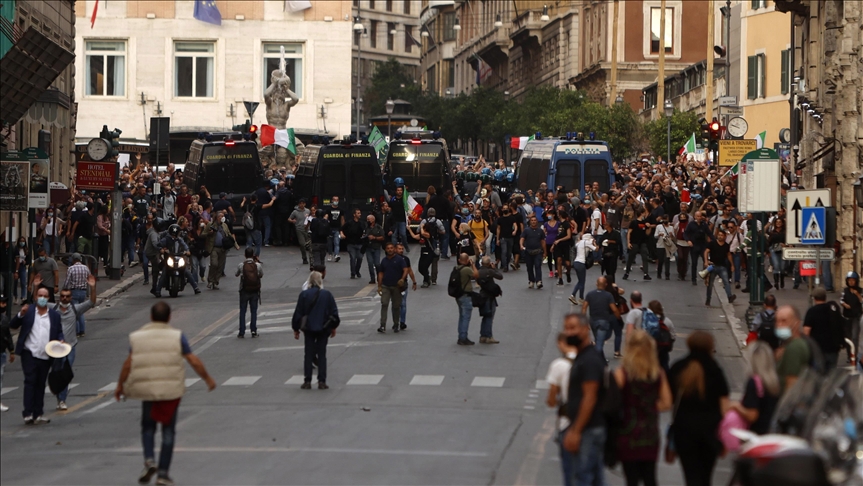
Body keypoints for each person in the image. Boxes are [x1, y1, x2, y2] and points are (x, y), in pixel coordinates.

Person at [114, 301, 217, 486]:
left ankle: (149, 460)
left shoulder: (138, 337)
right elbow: (192, 360)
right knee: (168, 430)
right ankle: (163, 473)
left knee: (148, 427)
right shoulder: (177, 337)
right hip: (170, 391)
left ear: (151, 317)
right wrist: (207, 379)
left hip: (148, 390)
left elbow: (128, 363)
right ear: (169, 317)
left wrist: (120, 385)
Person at [668, 331, 730, 486]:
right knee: (706, 477)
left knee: (691, 476)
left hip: (684, 431)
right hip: (711, 432)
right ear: (711, 346)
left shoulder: (678, 367)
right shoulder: (715, 370)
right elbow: (724, 408)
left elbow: (669, 401)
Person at [614, 329, 673, 486]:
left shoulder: (622, 373)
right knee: (650, 477)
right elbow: (667, 402)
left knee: (631, 479)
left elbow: (612, 402)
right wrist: (650, 406)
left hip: (627, 432)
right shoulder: (657, 373)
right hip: (649, 433)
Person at [561, 313, 607, 485]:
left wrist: (576, 430)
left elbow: (590, 396)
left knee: (581, 478)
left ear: (586, 329)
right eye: (566, 328)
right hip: (588, 428)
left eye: (573, 328)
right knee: (595, 479)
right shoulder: (584, 357)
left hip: (588, 430)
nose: (568, 332)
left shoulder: (590, 360)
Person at [9, 287, 63, 425]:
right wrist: (21, 314)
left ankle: (38, 413)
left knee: (40, 383)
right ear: (35, 296)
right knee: (30, 380)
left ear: (49, 298)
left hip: (46, 355)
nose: (42, 298)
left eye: (45, 296)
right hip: (29, 353)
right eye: (40, 295)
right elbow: (13, 325)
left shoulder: (54, 316)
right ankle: (27, 413)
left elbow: (59, 332)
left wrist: (60, 340)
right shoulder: (29, 311)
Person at [45, 274, 96, 411]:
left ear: (71, 298)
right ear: (59, 297)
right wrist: (36, 285)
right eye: (62, 296)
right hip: (55, 348)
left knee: (65, 373)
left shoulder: (75, 309)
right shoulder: (53, 308)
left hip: (70, 347)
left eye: (67, 296)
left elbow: (91, 302)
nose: (64, 299)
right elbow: (38, 302)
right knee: (57, 372)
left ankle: (62, 400)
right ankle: (58, 396)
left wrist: (92, 287)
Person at [292, 271, 339, 390]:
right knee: (322, 354)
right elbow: (334, 313)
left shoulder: (304, 295)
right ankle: (321, 381)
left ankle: (307, 380)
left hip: (308, 328)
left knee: (308, 354)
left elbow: (298, 313)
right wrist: (333, 327)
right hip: (324, 327)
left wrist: (296, 329)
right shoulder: (327, 295)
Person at [725, 341, 781, 436]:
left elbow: (752, 415)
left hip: (754, 434)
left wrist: (736, 406)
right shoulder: (774, 381)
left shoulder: (753, 382)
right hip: (770, 432)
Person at [545, 333, 577, 486]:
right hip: (593, 424)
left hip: (568, 423)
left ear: (560, 344)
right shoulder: (593, 361)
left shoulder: (559, 365)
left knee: (570, 471)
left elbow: (551, 400)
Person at [803, 287, 845, 371]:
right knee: (831, 375)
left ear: (814, 298)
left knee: (818, 376)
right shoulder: (832, 309)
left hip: (818, 350)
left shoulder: (812, 311)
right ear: (825, 297)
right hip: (833, 349)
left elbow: (806, 332)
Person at [581, 276, 620, 361]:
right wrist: (618, 318)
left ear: (596, 284)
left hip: (593, 321)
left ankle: (602, 359)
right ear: (605, 284)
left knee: (598, 340)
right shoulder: (608, 295)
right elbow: (614, 309)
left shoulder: (590, 294)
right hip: (603, 321)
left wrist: (584, 321)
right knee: (600, 341)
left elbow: (584, 307)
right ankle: (597, 360)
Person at [774, 305, 811, 392]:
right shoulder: (792, 345)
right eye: (777, 321)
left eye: (784, 321)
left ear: (796, 323)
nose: (779, 325)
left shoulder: (794, 348)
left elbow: (792, 385)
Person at [202, 210, 239, 290]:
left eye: (223, 216)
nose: (222, 218)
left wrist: (235, 244)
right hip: (214, 248)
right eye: (220, 216)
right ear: (217, 217)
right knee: (214, 264)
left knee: (220, 266)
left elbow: (229, 235)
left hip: (223, 248)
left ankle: (216, 282)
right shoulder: (210, 225)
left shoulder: (225, 225)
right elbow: (203, 235)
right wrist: (209, 233)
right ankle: (210, 280)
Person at [376, 242, 408, 334]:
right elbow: (381, 273)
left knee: (396, 306)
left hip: (396, 286)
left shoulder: (399, 260)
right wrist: (379, 286)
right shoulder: (384, 261)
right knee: (384, 304)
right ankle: (382, 325)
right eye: (388, 248)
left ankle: (396, 324)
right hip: (386, 285)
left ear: (394, 249)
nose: (390, 250)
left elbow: (405, 269)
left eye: (391, 248)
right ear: (386, 250)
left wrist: (402, 279)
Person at [704, 229, 737, 306]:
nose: (720, 237)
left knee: (726, 282)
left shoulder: (726, 245)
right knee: (710, 284)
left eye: (722, 235)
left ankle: (729, 296)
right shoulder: (712, 243)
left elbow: (729, 255)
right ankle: (708, 299)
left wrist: (732, 265)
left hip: (722, 266)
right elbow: (706, 251)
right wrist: (706, 261)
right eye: (719, 235)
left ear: (725, 236)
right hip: (713, 266)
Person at [236, 247, 263, 338]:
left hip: (244, 290)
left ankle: (241, 332)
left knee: (243, 311)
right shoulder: (257, 265)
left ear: (245, 255)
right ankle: (253, 330)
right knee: (254, 311)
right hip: (254, 290)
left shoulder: (241, 265)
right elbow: (261, 275)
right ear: (253, 255)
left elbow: (236, 274)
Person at [63, 252, 91, 337]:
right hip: (83, 291)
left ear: (73, 259)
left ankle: (77, 331)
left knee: (74, 311)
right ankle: (82, 330)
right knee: (81, 310)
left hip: (74, 291)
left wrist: (64, 290)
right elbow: (89, 279)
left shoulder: (71, 269)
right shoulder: (86, 268)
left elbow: (67, 282)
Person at [477, 256, 503, 344]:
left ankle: (482, 335)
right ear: (488, 263)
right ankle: (488, 336)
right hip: (490, 296)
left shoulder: (479, 272)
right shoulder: (490, 271)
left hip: (482, 294)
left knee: (485, 315)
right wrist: (494, 269)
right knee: (490, 315)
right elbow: (500, 276)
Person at [455, 253, 479, 345]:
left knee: (461, 316)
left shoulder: (456, 268)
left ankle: (461, 335)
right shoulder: (466, 270)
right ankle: (463, 337)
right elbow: (476, 275)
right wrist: (473, 264)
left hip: (458, 295)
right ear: (467, 260)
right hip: (465, 295)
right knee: (466, 317)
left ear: (459, 260)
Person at [684, 211, 712, 286]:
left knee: (705, 261)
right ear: (695, 217)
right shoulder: (691, 224)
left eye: (700, 216)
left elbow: (709, 233)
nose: (699, 218)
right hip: (694, 245)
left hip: (703, 245)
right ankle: (694, 279)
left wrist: (713, 241)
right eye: (698, 216)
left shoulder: (704, 224)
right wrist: (688, 240)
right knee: (694, 263)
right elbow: (686, 233)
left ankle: (706, 276)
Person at [623, 209, 652, 281]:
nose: (645, 215)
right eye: (644, 213)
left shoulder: (645, 223)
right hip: (634, 242)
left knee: (645, 257)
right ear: (641, 214)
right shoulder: (634, 222)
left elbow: (647, 233)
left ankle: (646, 274)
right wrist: (628, 242)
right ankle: (627, 273)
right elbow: (629, 232)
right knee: (631, 258)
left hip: (643, 242)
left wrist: (649, 227)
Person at [840, 271, 862, 364]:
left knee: (854, 337)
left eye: (853, 280)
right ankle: (850, 355)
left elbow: (862, 301)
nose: (851, 282)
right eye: (849, 280)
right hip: (846, 317)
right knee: (848, 338)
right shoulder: (845, 291)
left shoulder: (860, 290)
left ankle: (855, 355)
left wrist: (857, 294)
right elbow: (841, 300)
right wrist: (844, 304)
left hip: (856, 317)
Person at [569, 233, 596, 305]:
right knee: (581, 282)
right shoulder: (587, 243)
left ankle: (580, 297)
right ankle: (574, 295)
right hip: (581, 263)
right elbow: (596, 249)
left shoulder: (579, 243)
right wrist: (595, 243)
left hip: (576, 262)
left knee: (580, 281)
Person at [395, 243, 417, 331]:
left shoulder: (406, 259)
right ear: (395, 249)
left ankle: (402, 322)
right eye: (399, 249)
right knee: (396, 305)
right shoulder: (391, 259)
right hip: (394, 285)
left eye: (402, 249)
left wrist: (414, 281)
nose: (401, 250)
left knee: (403, 304)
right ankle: (395, 321)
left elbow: (409, 271)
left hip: (403, 285)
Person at [520, 216, 546, 289]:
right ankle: (531, 280)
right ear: (530, 222)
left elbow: (543, 241)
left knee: (538, 265)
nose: (533, 222)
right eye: (532, 220)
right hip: (528, 251)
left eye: (535, 220)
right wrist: (521, 245)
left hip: (538, 251)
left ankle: (538, 281)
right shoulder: (526, 230)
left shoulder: (540, 231)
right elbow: (522, 238)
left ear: (537, 221)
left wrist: (545, 252)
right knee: (529, 267)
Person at [341, 208, 366, 279]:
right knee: (353, 257)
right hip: (351, 243)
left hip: (359, 243)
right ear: (354, 214)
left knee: (360, 258)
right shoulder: (349, 223)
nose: (360, 214)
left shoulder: (362, 223)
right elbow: (342, 228)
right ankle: (353, 273)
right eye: (358, 213)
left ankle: (357, 270)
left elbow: (365, 231)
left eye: (360, 213)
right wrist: (342, 234)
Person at [0, 295, 14, 412]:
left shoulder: (4, 319)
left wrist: (11, 350)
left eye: (4, 303)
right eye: (2, 303)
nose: (4, 305)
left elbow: (8, 336)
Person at [363, 214, 385, 285]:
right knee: (370, 263)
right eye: (367, 219)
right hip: (368, 247)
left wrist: (374, 238)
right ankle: (372, 278)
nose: (367, 221)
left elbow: (382, 237)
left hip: (376, 247)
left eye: (369, 219)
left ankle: (379, 277)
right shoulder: (366, 227)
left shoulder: (378, 228)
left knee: (377, 264)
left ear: (373, 220)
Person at [288, 199, 311, 265]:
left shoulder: (307, 211)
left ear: (305, 204)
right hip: (299, 229)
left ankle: (311, 258)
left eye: (303, 203)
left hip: (307, 229)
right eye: (300, 203)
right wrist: (292, 221)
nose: (301, 205)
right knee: (302, 244)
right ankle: (304, 258)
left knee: (309, 245)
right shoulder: (295, 212)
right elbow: (289, 219)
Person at [325, 196, 344, 262]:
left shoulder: (340, 210)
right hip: (330, 228)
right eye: (334, 200)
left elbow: (342, 219)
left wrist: (342, 228)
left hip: (337, 228)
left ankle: (336, 254)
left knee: (337, 242)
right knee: (329, 243)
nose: (336, 201)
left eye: (337, 200)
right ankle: (330, 254)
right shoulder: (328, 209)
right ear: (332, 200)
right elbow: (326, 218)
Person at [12, 237, 30, 304]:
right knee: (15, 283)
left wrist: (26, 262)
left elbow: (28, 259)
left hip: (22, 266)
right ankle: (16, 297)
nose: (22, 242)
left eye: (23, 241)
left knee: (23, 282)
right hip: (16, 266)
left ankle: (23, 297)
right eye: (21, 241)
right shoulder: (16, 249)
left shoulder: (26, 250)